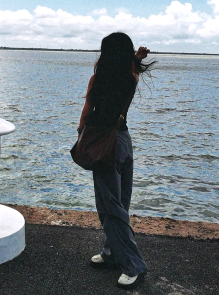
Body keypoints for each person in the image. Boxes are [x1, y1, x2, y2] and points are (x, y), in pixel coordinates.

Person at [78, 32, 155, 290]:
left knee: (110, 205)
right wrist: (137, 58)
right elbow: (131, 67)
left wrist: (81, 136)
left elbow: (87, 110)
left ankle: (134, 264)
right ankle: (112, 253)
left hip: (103, 143)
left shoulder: (97, 80)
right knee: (121, 202)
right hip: (123, 140)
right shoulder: (130, 78)